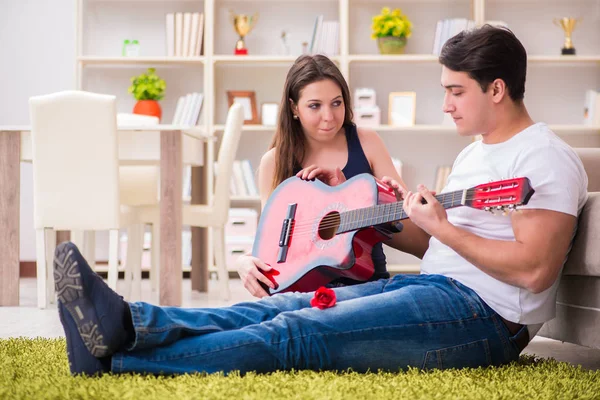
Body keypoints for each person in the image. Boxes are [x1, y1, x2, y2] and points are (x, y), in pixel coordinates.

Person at [55, 25, 588, 376]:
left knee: (297, 334)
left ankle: (115, 363)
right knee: (282, 306)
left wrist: (443, 229)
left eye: (456, 91)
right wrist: (366, 205)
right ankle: (127, 322)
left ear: (496, 89)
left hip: (485, 319)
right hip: (438, 287)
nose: (445, 104)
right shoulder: (478, 154)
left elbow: (535, 271)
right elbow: (433, 247)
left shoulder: (544, 158)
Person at [235, 54, 414, 297]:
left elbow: (414, 235)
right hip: (298, 293)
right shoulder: (274, 162)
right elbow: (270, 242)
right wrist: (243, 262)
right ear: (293, 107)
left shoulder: (368, 142)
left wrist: (395, 207)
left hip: (366, 288)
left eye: (336, 103)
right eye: (315, 105)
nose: (329, 116)